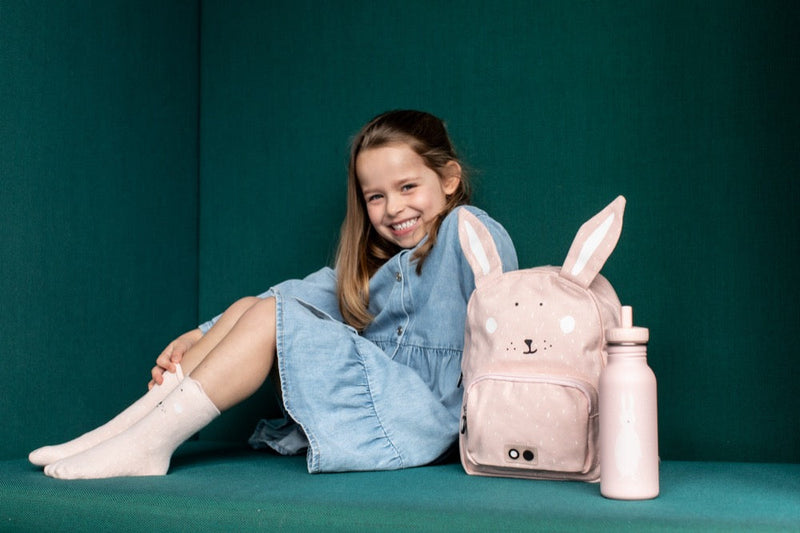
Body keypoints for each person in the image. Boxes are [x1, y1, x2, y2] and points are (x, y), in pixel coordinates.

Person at [29, 110, 518, 479]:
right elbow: (291, 295)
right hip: (388, 400)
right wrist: (200, 334)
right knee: (258, 306)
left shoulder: (465, 229)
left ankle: (147, 444)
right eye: (376, 196)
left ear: (449, 179)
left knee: (272, 315)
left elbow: (507, 315)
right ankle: (121, 434)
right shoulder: (378, 268)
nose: (393, 208)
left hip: (426, 416)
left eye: (408, 186)